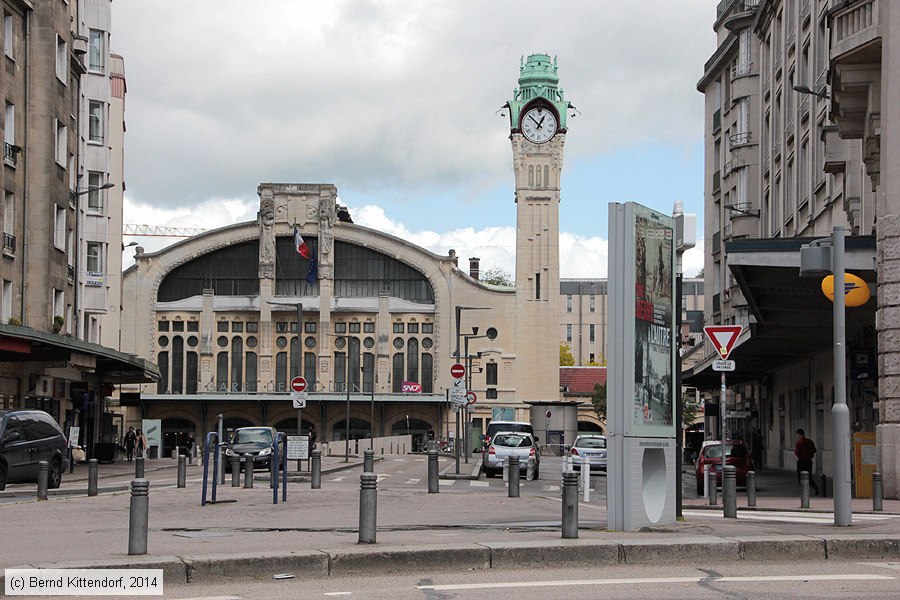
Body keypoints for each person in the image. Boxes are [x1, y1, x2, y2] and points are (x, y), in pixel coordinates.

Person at [794, 428, 820, 496]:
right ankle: (815, 487)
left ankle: (804, 491)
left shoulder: (799, 443)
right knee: (809, 477)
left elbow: (796, 452)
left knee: (801, 477)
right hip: (809, 461)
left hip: (801, 461)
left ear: (799, 434)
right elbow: (814, 450)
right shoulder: (810, 441)